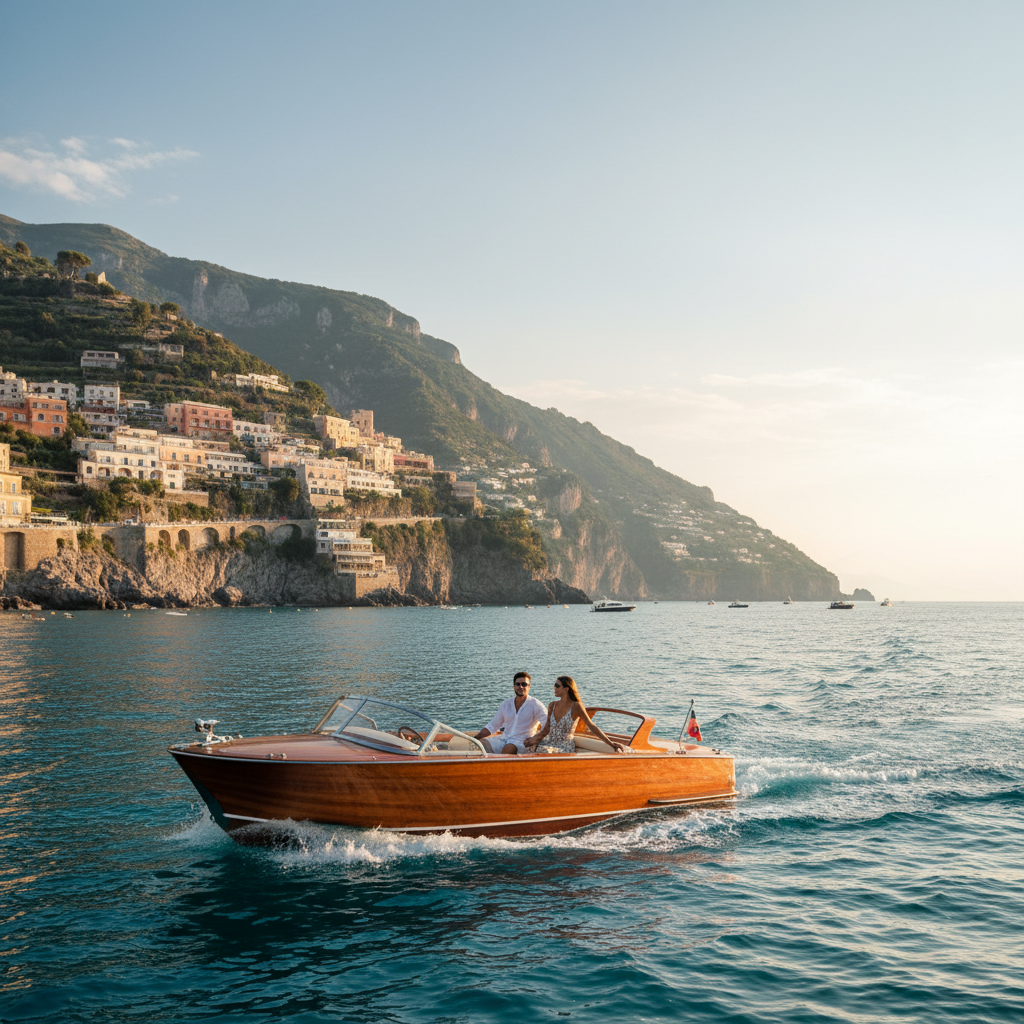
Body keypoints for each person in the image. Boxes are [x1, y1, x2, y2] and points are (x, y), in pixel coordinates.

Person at [524, 676, 626, 754]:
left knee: (544, 751)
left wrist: (612, 744)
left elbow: (592, 726)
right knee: (528, 747)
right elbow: (546, 729)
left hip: (564, 746)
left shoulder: (576, 706)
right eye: (554, 685)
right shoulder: (552, 705)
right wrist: (533, 739)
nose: (554, 688)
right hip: (548, 742)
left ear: (566, 689)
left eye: (557, 686)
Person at [474, 672, 548, 754]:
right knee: (480, 744)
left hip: (522, 742)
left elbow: (548, 724)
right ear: (514, 686)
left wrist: (535, 738)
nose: (521, 687)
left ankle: (501, 765)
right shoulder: (506, 704)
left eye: (524, 684)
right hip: (504, 738)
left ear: (529, 686)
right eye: (518, 684)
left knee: (508, 748)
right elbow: (493, 725)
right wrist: (476, 737)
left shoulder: (535, 704)